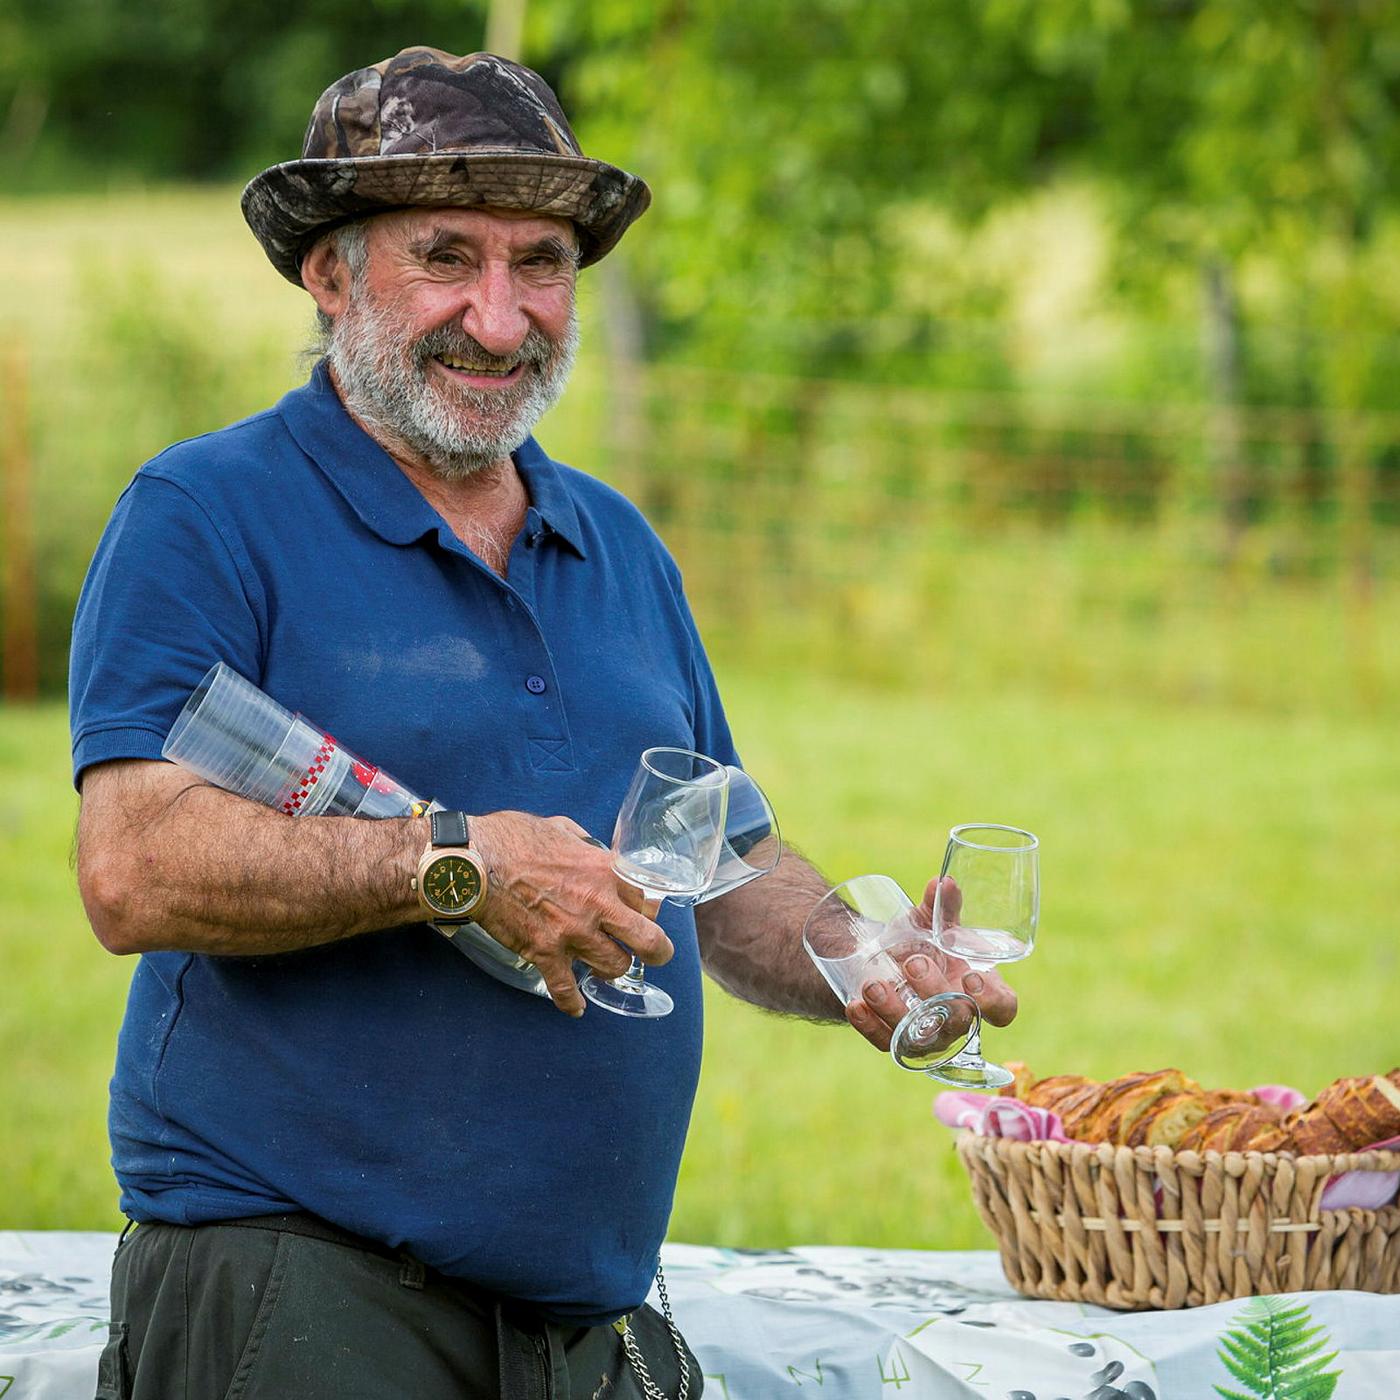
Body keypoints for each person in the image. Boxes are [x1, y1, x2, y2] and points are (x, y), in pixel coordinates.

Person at [69, 47, 1016, 1399]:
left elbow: (719, 862)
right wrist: (459, 864)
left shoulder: (616, 544)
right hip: (304, 1292)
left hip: (586, 1319)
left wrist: (862, 958)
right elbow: (132, 867)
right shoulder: (208, 514)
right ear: (329, 273)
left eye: (543, 263)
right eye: (446, 256)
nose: (501, 318)